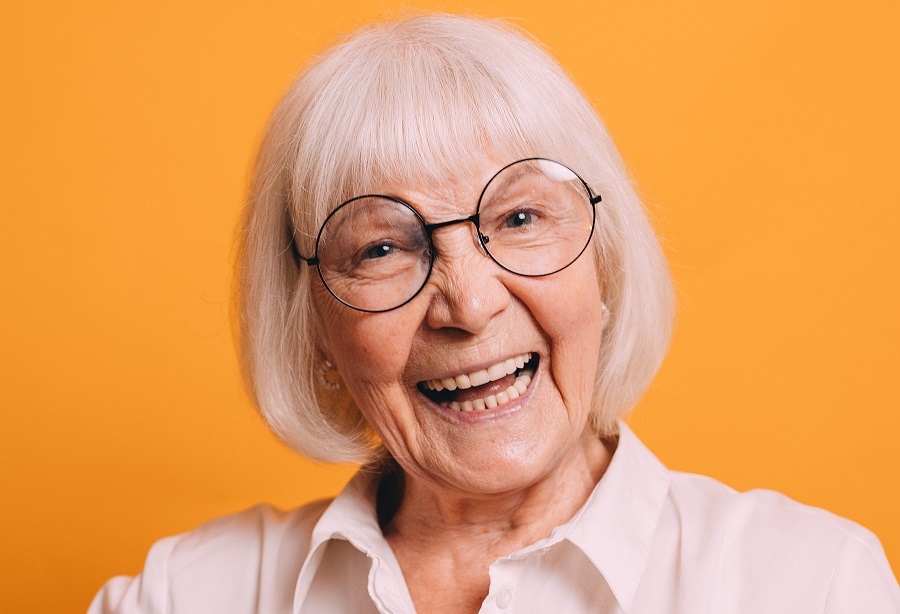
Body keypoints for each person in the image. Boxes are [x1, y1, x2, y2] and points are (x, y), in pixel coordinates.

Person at [90, 14, 900, 614]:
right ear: (312, 323)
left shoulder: (810, 585)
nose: (471, 305)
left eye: (519, 219)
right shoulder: (183, 596)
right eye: (381, 250)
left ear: (605, 262)